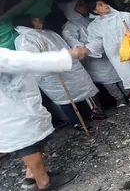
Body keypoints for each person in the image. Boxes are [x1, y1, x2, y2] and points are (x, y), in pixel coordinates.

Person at [0, 47, 87, 190]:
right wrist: (67, 55)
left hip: (13, 105)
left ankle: (31, 176)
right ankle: (44, 182)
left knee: (34, 139)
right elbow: (26, 60)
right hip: (12, 109)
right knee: (28, 144)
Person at [13, 15, 105, 130]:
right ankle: (76, 121)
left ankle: (88, 114)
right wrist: (51, 64)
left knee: (78, 93)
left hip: (69, 68)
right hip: (53, 74)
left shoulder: (48, 32)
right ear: (27, 22)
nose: (39, 20)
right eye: (35, 19)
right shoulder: (24, 39)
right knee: (66, 98)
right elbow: (32, 60)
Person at [59, 0, 130, 108]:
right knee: (107, 79)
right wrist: (86, 49)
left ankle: (129, 92)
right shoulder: (69, 27)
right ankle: (119, 98)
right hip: (92, 57)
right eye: (79, 6)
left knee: (119, 72)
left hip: (106, 51)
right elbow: (72, 42)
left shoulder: (91, 19)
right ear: (72, 10)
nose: (84, 6)